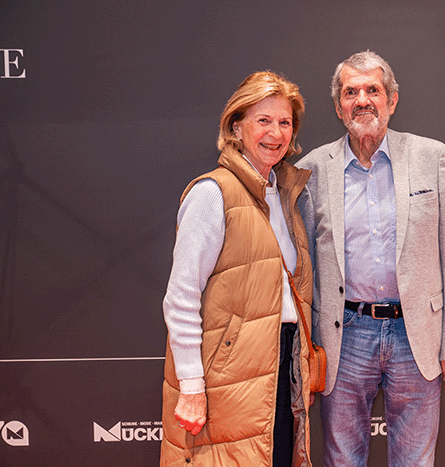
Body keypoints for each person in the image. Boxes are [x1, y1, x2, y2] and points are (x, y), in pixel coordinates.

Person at [296, 51, 445, 466]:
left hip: (416, 336)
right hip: (344, 336)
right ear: (339, 106)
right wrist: (304, 351)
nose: (362, 100)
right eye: (350, 92)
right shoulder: (311, 171)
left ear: (391, 100)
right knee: (343, 459)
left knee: (415, 460)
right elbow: (302, 271)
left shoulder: (431, 157)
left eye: (372, 90)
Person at [160, 71, 314, 467]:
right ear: (236, 127)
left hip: (280, 368)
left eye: (284, 122)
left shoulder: (286, 195)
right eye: (263, 120)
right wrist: (191, 386)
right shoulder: (212, 193)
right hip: (226, 379)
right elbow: (181, 297)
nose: (275, 133)